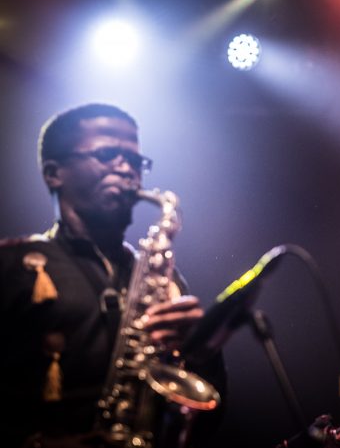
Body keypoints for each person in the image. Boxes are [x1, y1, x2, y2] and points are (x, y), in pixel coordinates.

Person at [0, 104, 226, 447]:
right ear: (54, 173)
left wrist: (198, 349)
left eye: (135, 160)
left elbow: (207, 415)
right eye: (107, 154)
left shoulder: (164, 280)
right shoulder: (11, 265)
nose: (126, 169)